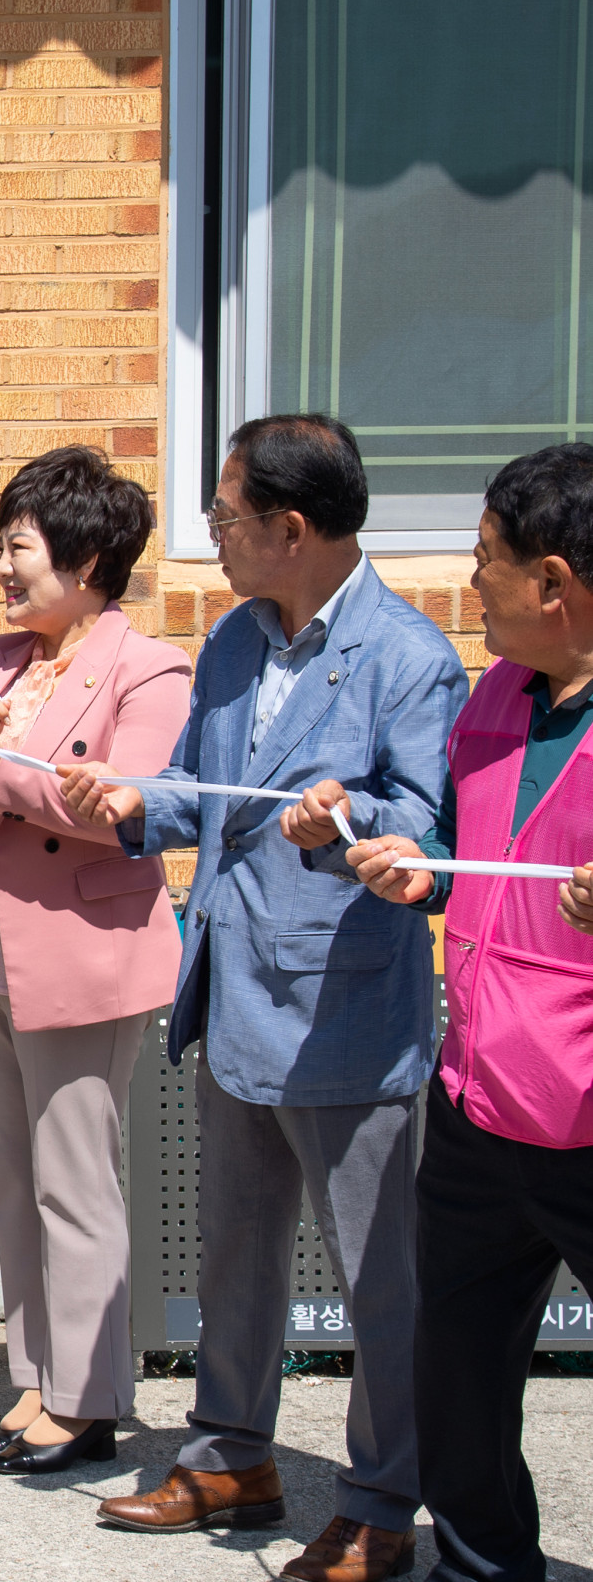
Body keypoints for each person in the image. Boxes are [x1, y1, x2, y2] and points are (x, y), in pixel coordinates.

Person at [61, 415, 466, 1582]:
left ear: (293, 528)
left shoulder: (409, 657)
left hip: (343, 1008)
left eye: (226, 518)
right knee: (235, 1252)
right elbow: (205, 783)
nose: (214, 537)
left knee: (376, 1273)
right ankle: (231, 1451)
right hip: (233, 990)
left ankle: (384, 1500)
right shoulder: (238, 639)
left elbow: (428, 834)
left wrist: (352, 821)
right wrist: (131, 800)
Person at [0, 447, 188, 1476]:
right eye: (2, 545)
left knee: (76, 1183)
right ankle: (35, 1380)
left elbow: (133, 809)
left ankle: (90, 1398)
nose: (2, 568)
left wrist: (5, 773)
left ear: (90, 555)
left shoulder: (148, 666)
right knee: (12, 1180)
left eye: (18, 546)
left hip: (82, 955)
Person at [344, 443, 593, 1582]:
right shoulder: (496, 692)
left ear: (555, 582)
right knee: (458, 1376)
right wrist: (426, 873)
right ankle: (486, 1567)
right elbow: (481, 854)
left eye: (486, 558)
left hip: (587, 1118)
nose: (466, 576)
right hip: (483, 1098)